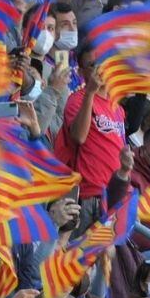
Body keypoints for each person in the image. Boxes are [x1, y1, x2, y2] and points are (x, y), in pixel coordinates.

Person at [54, 43, 126, 226]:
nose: (99, 69)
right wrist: (90, 94)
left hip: (114, 195)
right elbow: (79, 136)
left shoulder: (117, 107)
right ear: (81, 72)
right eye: (92, 65)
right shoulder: (76, 100)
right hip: (89, 196)